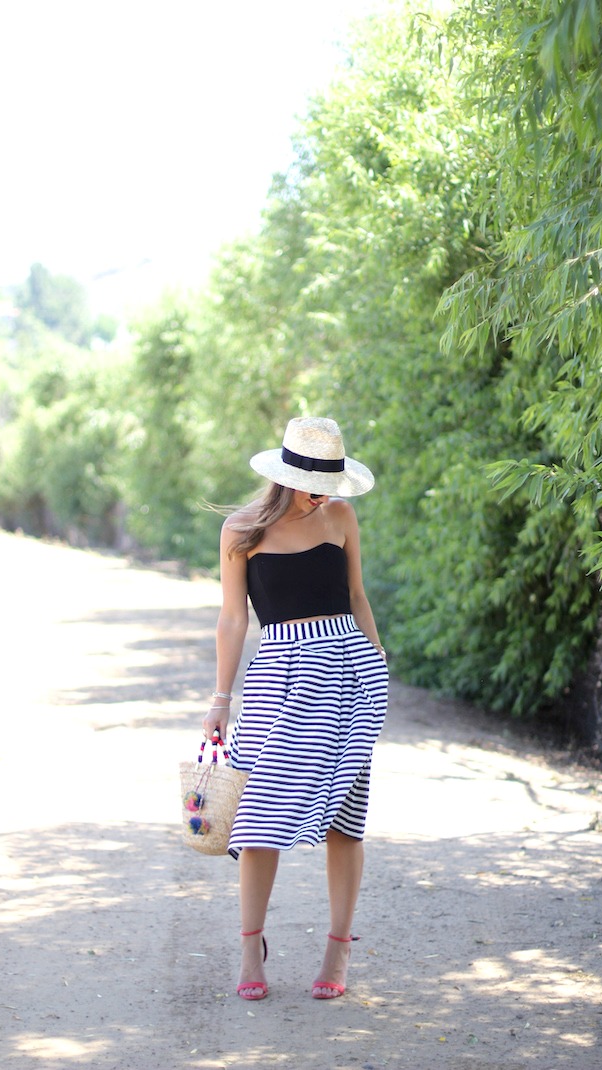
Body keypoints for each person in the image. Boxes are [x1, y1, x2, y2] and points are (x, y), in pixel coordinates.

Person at [203, 416, 388, 1002]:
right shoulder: (241, 531)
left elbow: (357, 597)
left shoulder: (340, 517)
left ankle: (337, 948)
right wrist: (220, 699)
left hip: (349, 671)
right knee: (258, 819)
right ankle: (250, 947)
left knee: (344, 817)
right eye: (315, 481)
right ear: (287, 475)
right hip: (278, 676)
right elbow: (234, 619)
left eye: (331, 481)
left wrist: (379, 666)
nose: (324, 493)